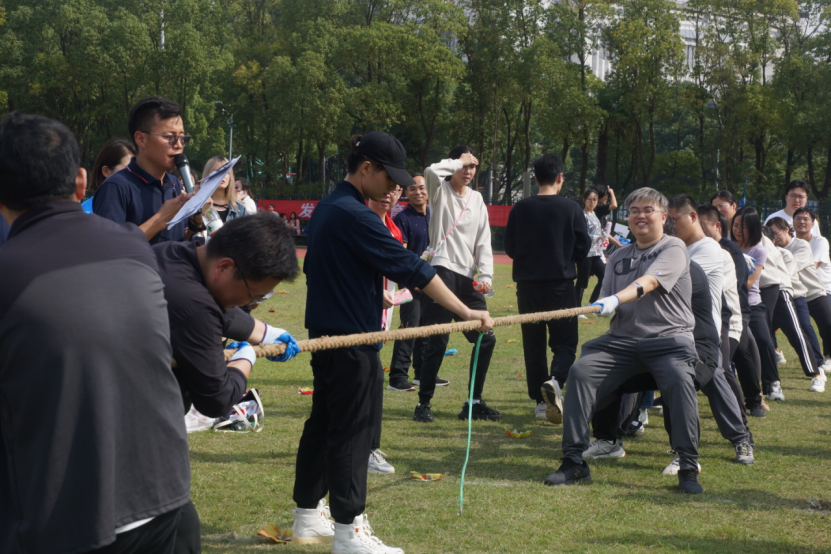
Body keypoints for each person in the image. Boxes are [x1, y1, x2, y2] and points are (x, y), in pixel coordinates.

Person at [290, 132, 493, 552]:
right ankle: (350, 532)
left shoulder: (328, 208)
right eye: (390, 179)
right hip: (352, 341)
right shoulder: (356, 215)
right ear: (366, 169)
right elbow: (414, 270)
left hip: (326, 335)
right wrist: (467, 311)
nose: (395, 190)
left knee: (324, 423)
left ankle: (307, 517)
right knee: (353, 432)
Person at [0, 112, 192, 553]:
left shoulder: (8, 275)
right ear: (83, 181)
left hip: (69, 521)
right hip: (166, 500)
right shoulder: (134, 249)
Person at [544, 187, 703, 494]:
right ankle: (574, 460)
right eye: (633, 211)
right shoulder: (618, 256)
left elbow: (649, 282)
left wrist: (615, 299)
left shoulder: (674, 248)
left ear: (663, 216)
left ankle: (687, 463)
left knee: (680, 380)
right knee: (581, 371)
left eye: (647, 210)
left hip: (669, 340)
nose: (640, 216)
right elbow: (605, 297)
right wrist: (601, 304)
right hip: (621, 341)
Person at [504, 153, 590, 422]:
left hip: (528, 288)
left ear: (536, 177)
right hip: (560, 286)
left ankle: (540, 403)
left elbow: (510, 247)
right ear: (560, 177)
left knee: (534, 344)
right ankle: (555, 381)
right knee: (565, 344)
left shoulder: (520, 208)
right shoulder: (572, 209)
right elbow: (583, 248)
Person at [416, 145, 498, 423]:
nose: (468, 170)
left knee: (486, 337)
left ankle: (473, 402)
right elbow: (430, 171)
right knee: (438, 341)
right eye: (465, 165)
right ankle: (423, 403)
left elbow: (484, 241)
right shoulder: (439, 191)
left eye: (473, 166)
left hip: (466, 278)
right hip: (440, 271)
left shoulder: (477, 200)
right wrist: (456, 161)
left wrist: (485, 276)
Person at [93, 96, 192, 243]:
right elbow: (109, 250)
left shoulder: (174, 183)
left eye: (182, 137)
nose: (178, 145)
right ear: (141, 139)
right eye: (170, 137)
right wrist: (159, 220)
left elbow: (179, 246)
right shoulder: (116, 187)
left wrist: (196, 220)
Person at [698, 204, 766, 417]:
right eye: (736, 225)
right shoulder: (701, 247)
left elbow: (736, 286)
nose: (697, 230)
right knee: (738, 358)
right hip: (718, 312)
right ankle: (753, 403)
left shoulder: (729, 249)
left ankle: (748, 407)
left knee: (731, 361)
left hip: (735, 311)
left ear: (717, 226)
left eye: (701, 225)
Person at [365, 184, 405, 475]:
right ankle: (366, 449)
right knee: (370, 380)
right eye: (385, 188)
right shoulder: (358, 220)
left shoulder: (392, 227)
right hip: (355, 316)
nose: (389, 195)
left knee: (370, 379)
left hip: (379, 316)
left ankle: (365, 446)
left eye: (396, 190)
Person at [767, 218, 829, 392]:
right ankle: (774, 363)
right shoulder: (773, 249)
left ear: (786, 230)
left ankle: (818, 370)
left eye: (776, 233)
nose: (775, 237)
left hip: (803, 294)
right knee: (764, 330)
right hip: (776, 296)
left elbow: (791, 267)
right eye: (771, 235)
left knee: (803, 331)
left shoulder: (800, 246)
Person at [732, 207, 784, 401]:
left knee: (764, 340)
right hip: (728, 304)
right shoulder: (726, 246)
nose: (738, 230)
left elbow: (749, 283)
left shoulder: (758, 250)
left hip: (751, 304)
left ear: (753, 228)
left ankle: (772, 383)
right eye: (735, 225)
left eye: (743, 227)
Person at [388, 173, 432, 392]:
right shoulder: (402, 219)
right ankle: (397, 377)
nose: (418, 192)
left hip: (431, 282)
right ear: (406, 193)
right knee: (409, 328)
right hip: (409, 283)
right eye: (413, 189)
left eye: (422, 188)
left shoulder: (435, 216)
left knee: (426, 329)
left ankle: (422, 374)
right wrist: (412, 279)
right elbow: (401, 255)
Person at [82, 139, 136, 212]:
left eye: (136, 170)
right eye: (127, 170)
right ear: (106, 171)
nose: (134, 175)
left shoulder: (141, 209)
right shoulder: (84, 213)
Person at [576, 188, 607, 305]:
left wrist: (602, 234)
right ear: (584, 200)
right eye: (589, 199)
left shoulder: (594, 214)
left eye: (595, 199)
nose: (592, 202)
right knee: (582, 282)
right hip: (585, 253)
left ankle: (590, 304)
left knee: (604, 277)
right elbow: (581, 234)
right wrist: (596, 238)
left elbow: (594, 232)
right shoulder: (582, 215)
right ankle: (576, 308)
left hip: (596, 252)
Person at [793, 207, 831, 295]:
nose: (801, 221)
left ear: (813, 224)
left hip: (822, 291)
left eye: (806, 219)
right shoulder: (791, 243)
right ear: (793, 222)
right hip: (799, 291)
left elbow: (812, 267)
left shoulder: (820, 242)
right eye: (798, 218)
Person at [204, 156, 246, 223]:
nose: (222, 175)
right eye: (217, 171)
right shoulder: (198, 207)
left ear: (230, 176)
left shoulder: (240, 208)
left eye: (226, 172)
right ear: (207, 175)